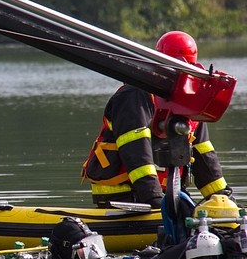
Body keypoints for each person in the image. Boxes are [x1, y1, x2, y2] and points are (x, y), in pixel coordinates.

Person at [81, 30, 230, 209]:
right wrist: (154, 199)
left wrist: (223, 200)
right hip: (121, 198)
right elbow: (136, 152)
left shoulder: (189, 104)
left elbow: (205, 159)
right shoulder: (134, 95)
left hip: (168, 194)